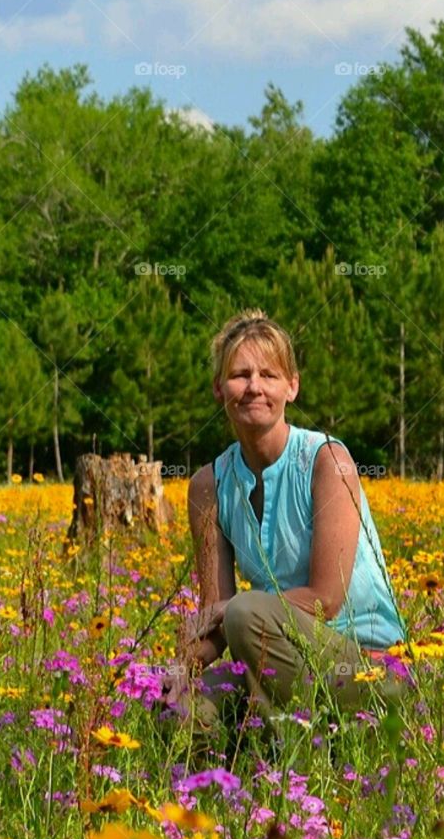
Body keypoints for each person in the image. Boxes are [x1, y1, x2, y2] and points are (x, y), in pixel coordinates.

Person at [160, 308, 407, 753]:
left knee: (243, 612)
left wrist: (232, 608)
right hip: (275, 654)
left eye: (268, 374)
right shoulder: (207, 486)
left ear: (292, 385)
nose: (253, 386)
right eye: (239, 374)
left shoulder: (327, 462)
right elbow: (212, 619)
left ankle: (300, 754)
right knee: (185, 708)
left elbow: (325, 600)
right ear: (219, 388)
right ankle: (216, 801)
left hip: (368, 667)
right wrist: (179, 671)